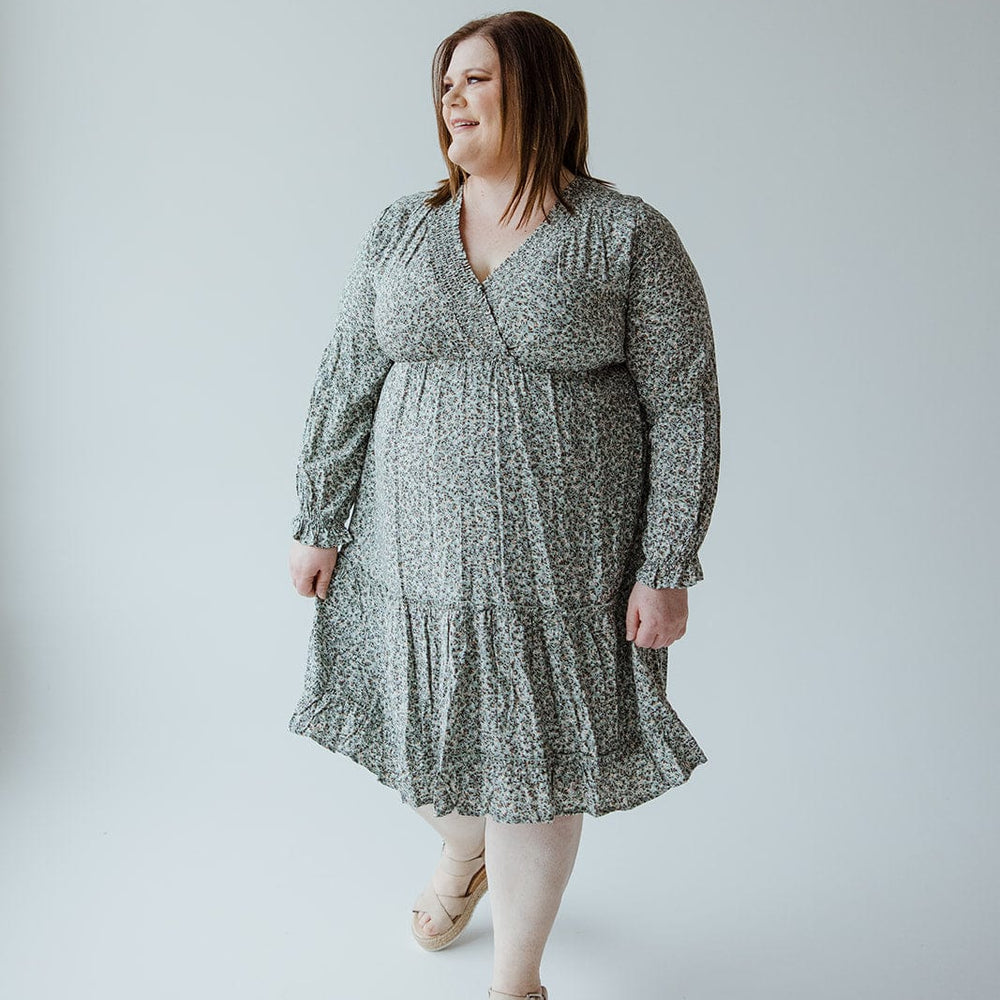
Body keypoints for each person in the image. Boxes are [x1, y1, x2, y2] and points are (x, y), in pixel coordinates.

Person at [286, 11, 721, 1000]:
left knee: (534, 767)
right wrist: (318, 515)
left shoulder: (624, 236)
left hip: (562, 576)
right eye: (446, 82)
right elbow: (347, 372)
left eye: (476, 78)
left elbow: (684, 403)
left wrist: (667, 562)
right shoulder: (402, 225)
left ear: (539, 91)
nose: (453, 97)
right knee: (424, 749)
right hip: (407, 564)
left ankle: (516, 979)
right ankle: (465, 851)